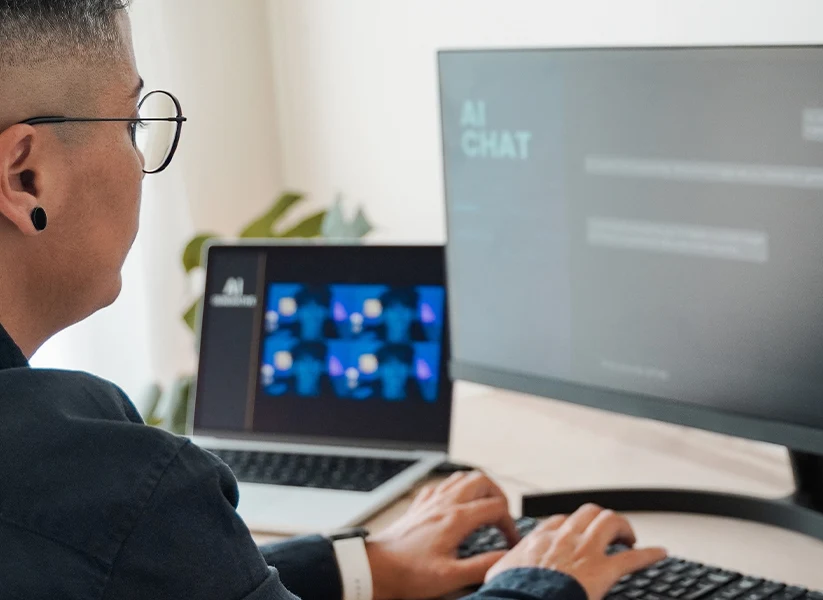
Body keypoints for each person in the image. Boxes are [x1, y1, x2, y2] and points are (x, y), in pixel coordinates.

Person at [0, 2, 665, 600]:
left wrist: (357, 565)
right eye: (133, 122)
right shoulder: (105, 486)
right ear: (27, 175)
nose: (141, 157)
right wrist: (539, 582)